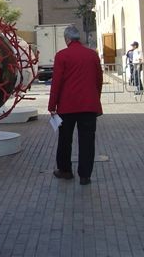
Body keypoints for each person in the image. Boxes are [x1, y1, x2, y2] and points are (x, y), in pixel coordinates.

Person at [48, 25, 103, 185]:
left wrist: (52, 105)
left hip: (67, 106)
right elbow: (98, 80)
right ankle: (85, 175)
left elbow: (56, 82)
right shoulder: (92, 55)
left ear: (67, 39)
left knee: (65, 140)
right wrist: (95, 99)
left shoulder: (62, 55)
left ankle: (65, 171)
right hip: (88, 106)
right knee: (87, 141)